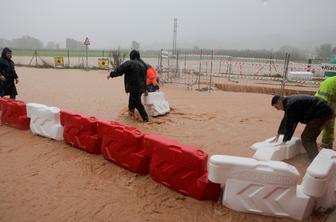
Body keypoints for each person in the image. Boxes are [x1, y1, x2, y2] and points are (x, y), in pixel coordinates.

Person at [271, 94, 334, 160]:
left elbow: (290, 124)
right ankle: (314, 156)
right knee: (310, 136)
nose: (277, 109)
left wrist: (284, 140)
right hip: (325, 111)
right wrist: (278, 135)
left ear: (279, 102)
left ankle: (315, 160)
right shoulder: (289, 102)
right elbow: (285, 120)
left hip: (322, 113)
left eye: (276, 107)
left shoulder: (290, 105)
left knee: (307, 138)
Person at [107, 49, 149, 122]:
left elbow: (119, 70)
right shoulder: (143, 65)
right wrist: (145, 89)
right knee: (132, 102)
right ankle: (131, 115)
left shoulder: (129, 63)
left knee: (137, 103)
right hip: (140, 88)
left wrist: (111, 75)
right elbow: (145, 78)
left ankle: (146, 120)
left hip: (134, 87)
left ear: (131, 56)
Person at [315, 76, 336, 149]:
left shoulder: (331, 80)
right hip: (326, 107)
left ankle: (325, 146)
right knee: (327, 127)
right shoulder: (333, 82)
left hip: (317, 103)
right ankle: (326, 146)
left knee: (320, 126)